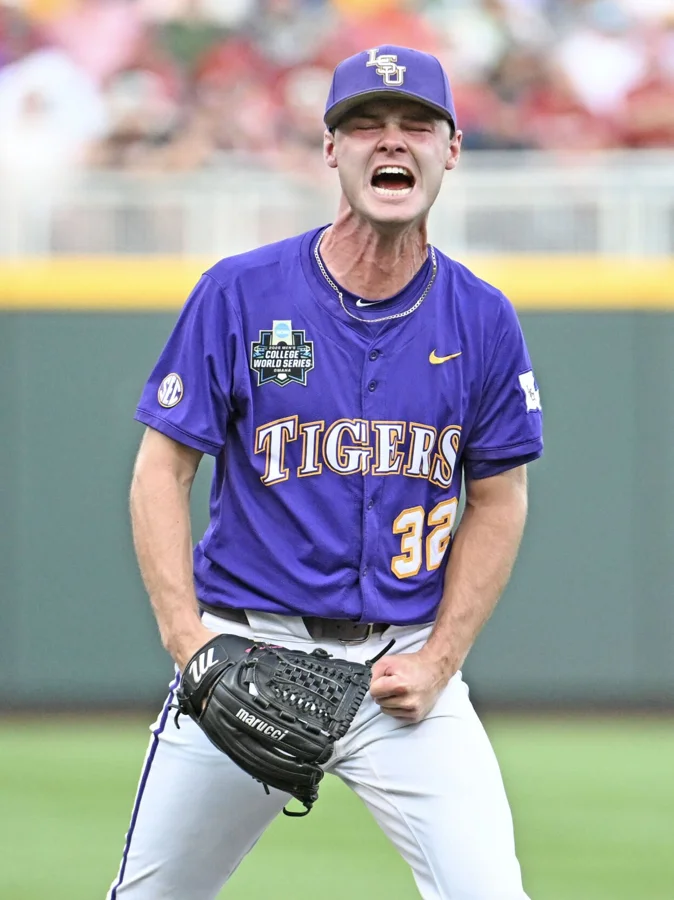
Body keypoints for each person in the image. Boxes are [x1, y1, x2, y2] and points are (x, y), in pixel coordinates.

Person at [108, 45, 543, 900]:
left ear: (451, 148)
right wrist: (188, 644)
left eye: (416, 124)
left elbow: (499, 497)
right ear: (330, 151)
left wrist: (443, 659)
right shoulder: (240, 293)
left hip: (400, 672)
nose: (393, 143)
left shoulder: (483, 318)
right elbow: (160, 472)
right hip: (250, 653)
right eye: (365, 126)